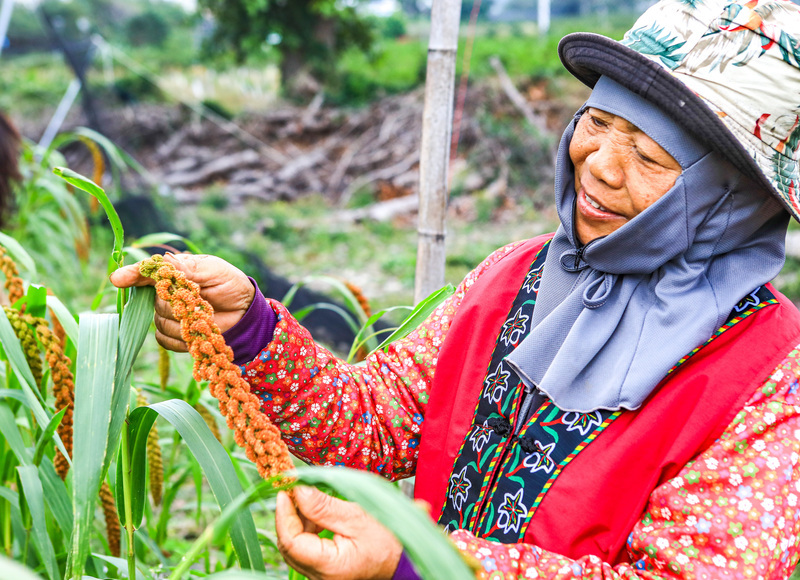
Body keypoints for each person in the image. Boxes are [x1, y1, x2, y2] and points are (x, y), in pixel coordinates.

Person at [111, 0, 800, 578]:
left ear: (732, 199)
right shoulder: (518, 277)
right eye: (596, 122)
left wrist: (418, 563)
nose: (599, 166)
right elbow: (372, 422)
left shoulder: (772, 378)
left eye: (648, 154)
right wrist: (251, 327)